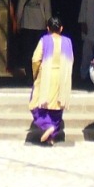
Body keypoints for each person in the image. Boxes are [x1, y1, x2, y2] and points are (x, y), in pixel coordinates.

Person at [29, 16, 74, 144]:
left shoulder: (44, 40)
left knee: (36, 103)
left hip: (47, 75)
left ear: (47, 28)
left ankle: (48, 126)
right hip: (62, 76)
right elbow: (71, 60)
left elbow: (35, 59)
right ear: (61, 28)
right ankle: (52, 135)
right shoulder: (68, 42)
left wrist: (36, 73)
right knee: (57, 107)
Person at [14, 0, 51, 76]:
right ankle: (38, 73)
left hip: (27, 25)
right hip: (40, 26)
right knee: (40, 51)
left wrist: (17, 23)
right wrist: (49, 25)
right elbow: (47, 10)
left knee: (27, 51)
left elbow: (19, 9)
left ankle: (29, 75)